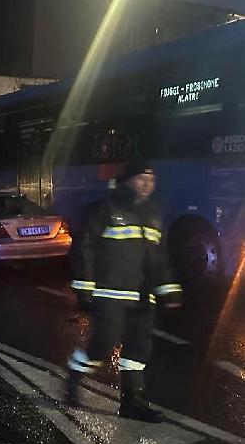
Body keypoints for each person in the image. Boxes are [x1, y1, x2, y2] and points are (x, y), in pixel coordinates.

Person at [66, 161, 182, 421]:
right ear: (127, 180)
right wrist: (84, 287)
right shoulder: (105, 208)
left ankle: (132, 403)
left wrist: (169, 289)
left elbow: (160, 257)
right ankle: (74, 375)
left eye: (151, 180)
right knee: (103, 343)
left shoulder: (153, 213)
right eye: (141, 178)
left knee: (138, 351)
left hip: (143, 298)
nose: (147, 184)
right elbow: (84, 248)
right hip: (110, 294)